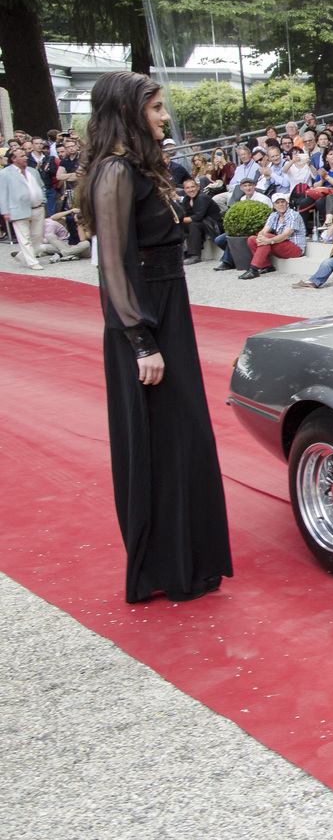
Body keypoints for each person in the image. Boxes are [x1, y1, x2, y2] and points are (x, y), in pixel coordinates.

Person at [76, 70, 231, 603]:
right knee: (160, 441)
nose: (165, 116)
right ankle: (164, 567)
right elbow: (113, 268)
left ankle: (190, 559)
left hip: (170, 308)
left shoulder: (144, 166)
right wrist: (141, 340)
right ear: (127, 111)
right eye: (156, 107)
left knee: (184, 437)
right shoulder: (115, 171)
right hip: (143, 321)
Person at [237, 193, 306, 280]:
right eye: (277, 203)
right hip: (281, 244)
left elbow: (286, 234)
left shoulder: (293, 215)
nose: (280, 204)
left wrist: (269, 241)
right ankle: (267, 266)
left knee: (267, 237)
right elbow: (264, 230)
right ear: (274, 206)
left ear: (287, 203)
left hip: (295, 248)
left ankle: (254, 269)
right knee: (252, 239)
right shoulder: (274, 215)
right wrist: (260, 237)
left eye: (282, 202)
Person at [1, 147, 48, 270]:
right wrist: (5, 211)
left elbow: (41, 186)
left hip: (38, 208)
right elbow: (2, 194)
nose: (26, 157)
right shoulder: (5, 173)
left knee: (37, 237)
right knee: (24, 238)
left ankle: (23, 256)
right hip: (18, 209)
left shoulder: (33, 171)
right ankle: (32, 262)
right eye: (22, 156)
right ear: (13, 159)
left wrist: (43, 199)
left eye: (25, 155)